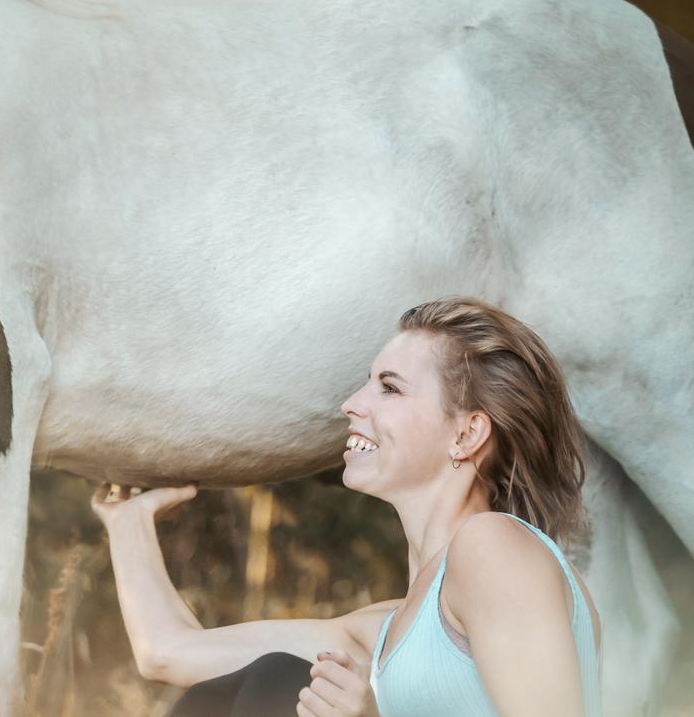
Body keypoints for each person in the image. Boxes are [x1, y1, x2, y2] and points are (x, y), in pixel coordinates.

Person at [92, 297, 602, 717]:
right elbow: (167, 653)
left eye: (390, 388)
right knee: (237, 693)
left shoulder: (496, 548)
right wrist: (127, 521)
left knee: (280, 681)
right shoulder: (384, 630)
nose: (352, 404)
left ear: (467, 433)